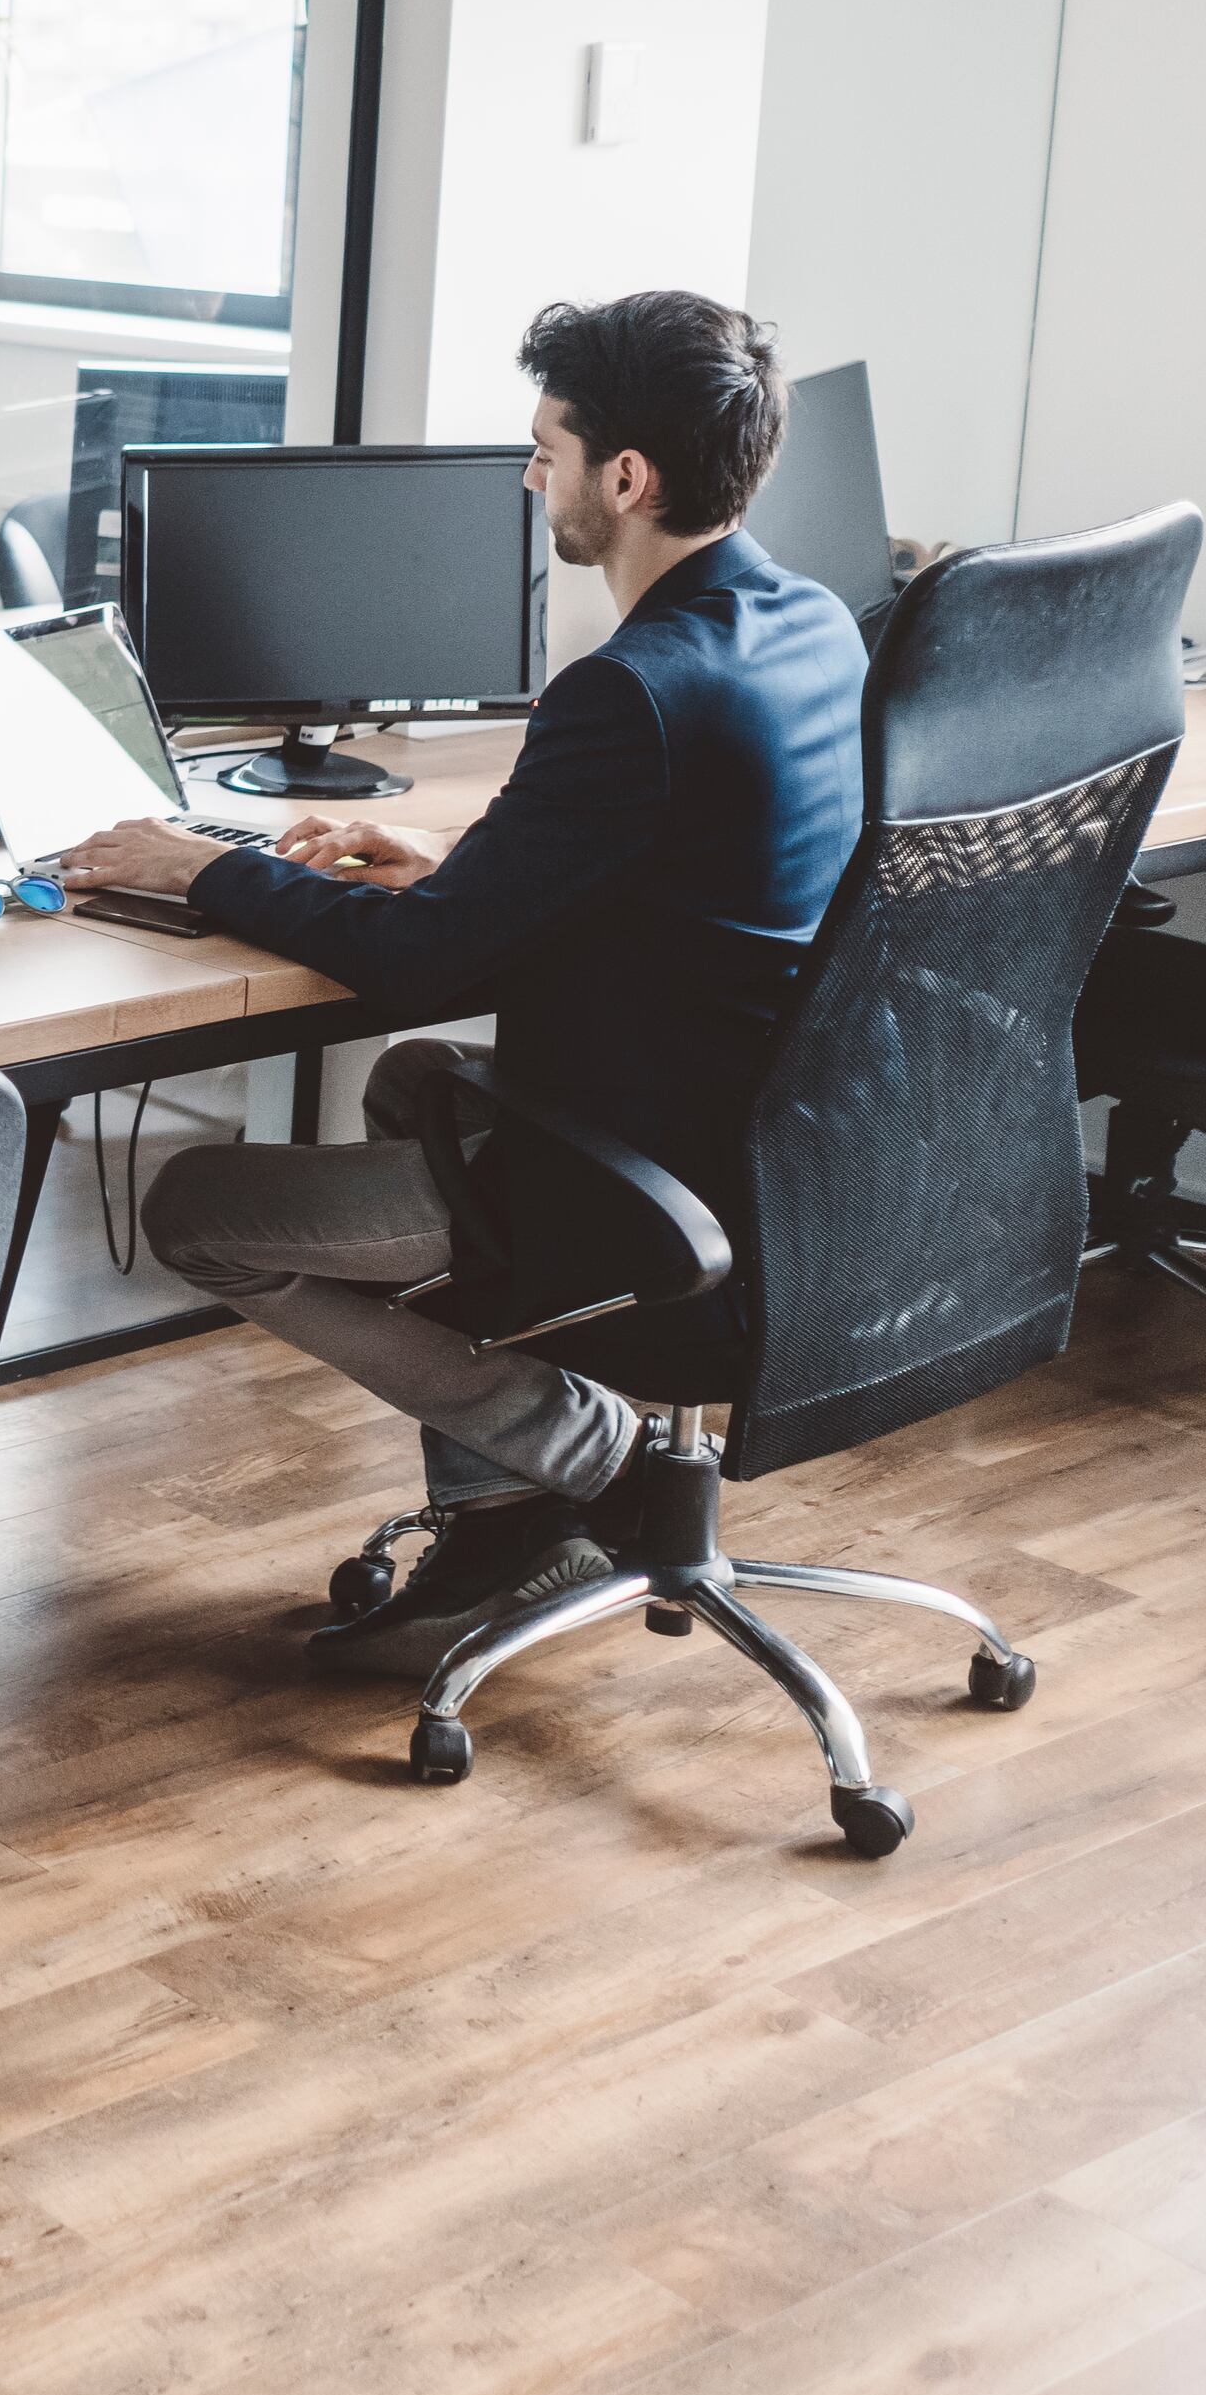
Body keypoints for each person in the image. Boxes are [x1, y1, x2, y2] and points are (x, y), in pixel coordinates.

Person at [55, 291, 867, 1678]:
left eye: (547, 443)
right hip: (787, 1151)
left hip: (649, 1177)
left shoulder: (633, 687)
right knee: (409, 1081)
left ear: (629, 476)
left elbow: (422, 959)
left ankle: (586, 1450)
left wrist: (203, 865)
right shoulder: (810, 626)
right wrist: (462, 855)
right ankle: (503, 1514)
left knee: (197, 1210)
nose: (529, 471)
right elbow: (682, 865)